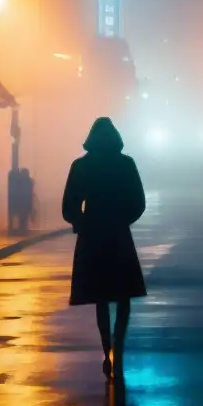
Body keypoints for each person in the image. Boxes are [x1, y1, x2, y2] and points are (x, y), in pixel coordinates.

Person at [63, 117, 148, 385]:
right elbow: (139, 202)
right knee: (122, 297)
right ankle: (118, 347)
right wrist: (123, 219)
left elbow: (69, 206)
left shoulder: (81, 166)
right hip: (119, 236)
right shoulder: (126, 164)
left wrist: (82, 222)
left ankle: (107, 351)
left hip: (93, 237)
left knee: (101, 299)